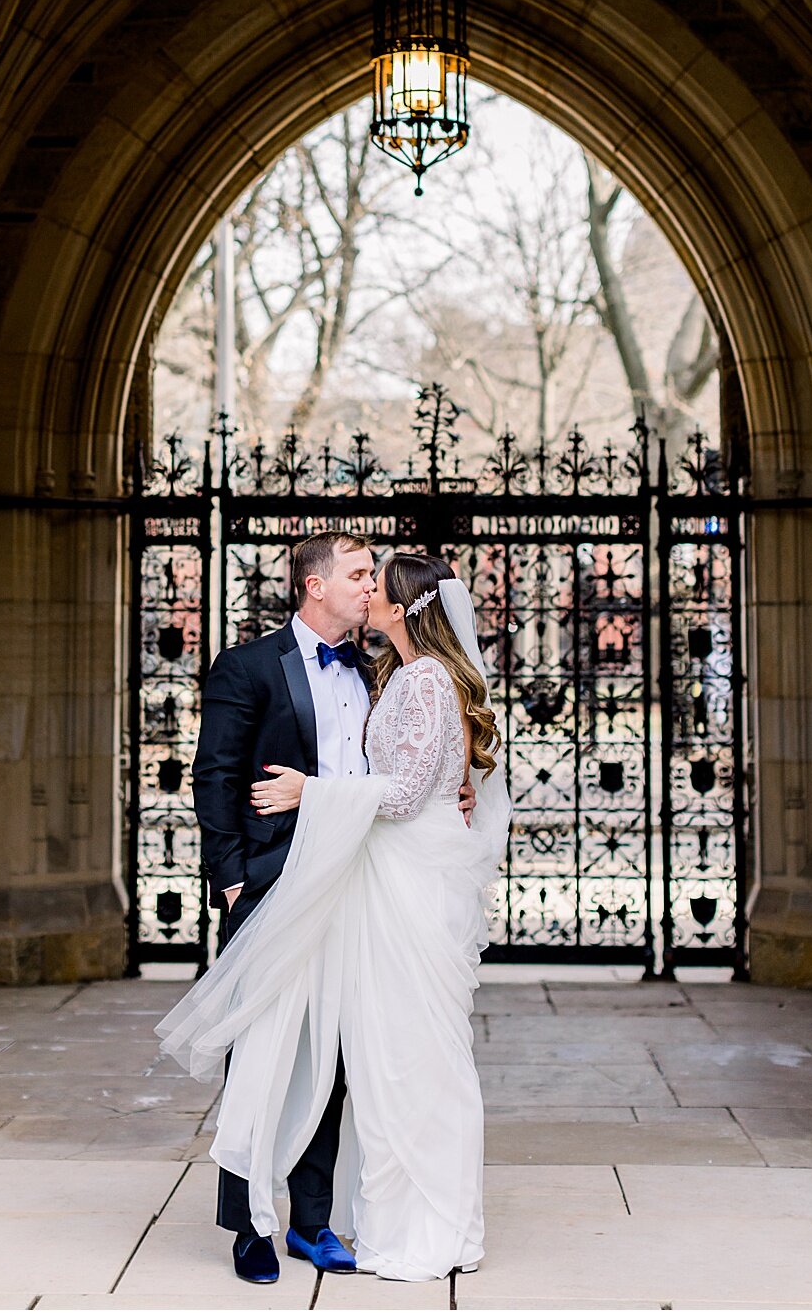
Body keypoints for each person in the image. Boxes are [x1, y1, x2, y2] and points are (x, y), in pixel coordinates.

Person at [161, 548, 510, 1284]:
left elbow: (410, 778)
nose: (367, 586)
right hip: (276, 885)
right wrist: (229, 880)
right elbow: (216, 774)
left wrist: (455, 791)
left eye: (374, 580)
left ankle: (314, 1220)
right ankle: (250, 1225)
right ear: (314, 585)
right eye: (357, 574)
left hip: (365, 885)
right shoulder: (250, 666)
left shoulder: (384, 669)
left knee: (346, 1053)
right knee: (262, 1055)